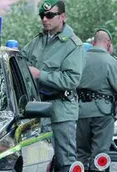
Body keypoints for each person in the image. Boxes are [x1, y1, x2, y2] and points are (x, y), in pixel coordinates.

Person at [20, 0, 85, 171]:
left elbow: (72, 80)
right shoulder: (39, 40)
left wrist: (40, 75)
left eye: (49, 15)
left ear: (62, 16)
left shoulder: (73, 45)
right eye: (42, 15)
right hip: (37, 109)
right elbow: (21, 60)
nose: (44, 19)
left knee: (65, 161)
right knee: (37, 161)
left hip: (61, 111)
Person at [76, 29, 117, 172]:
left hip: (80, 112)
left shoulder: (79, 60)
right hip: (103, 113)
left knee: (80, 153)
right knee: (100, 154)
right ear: (108, 44)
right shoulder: (111, 62)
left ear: (93, 42)